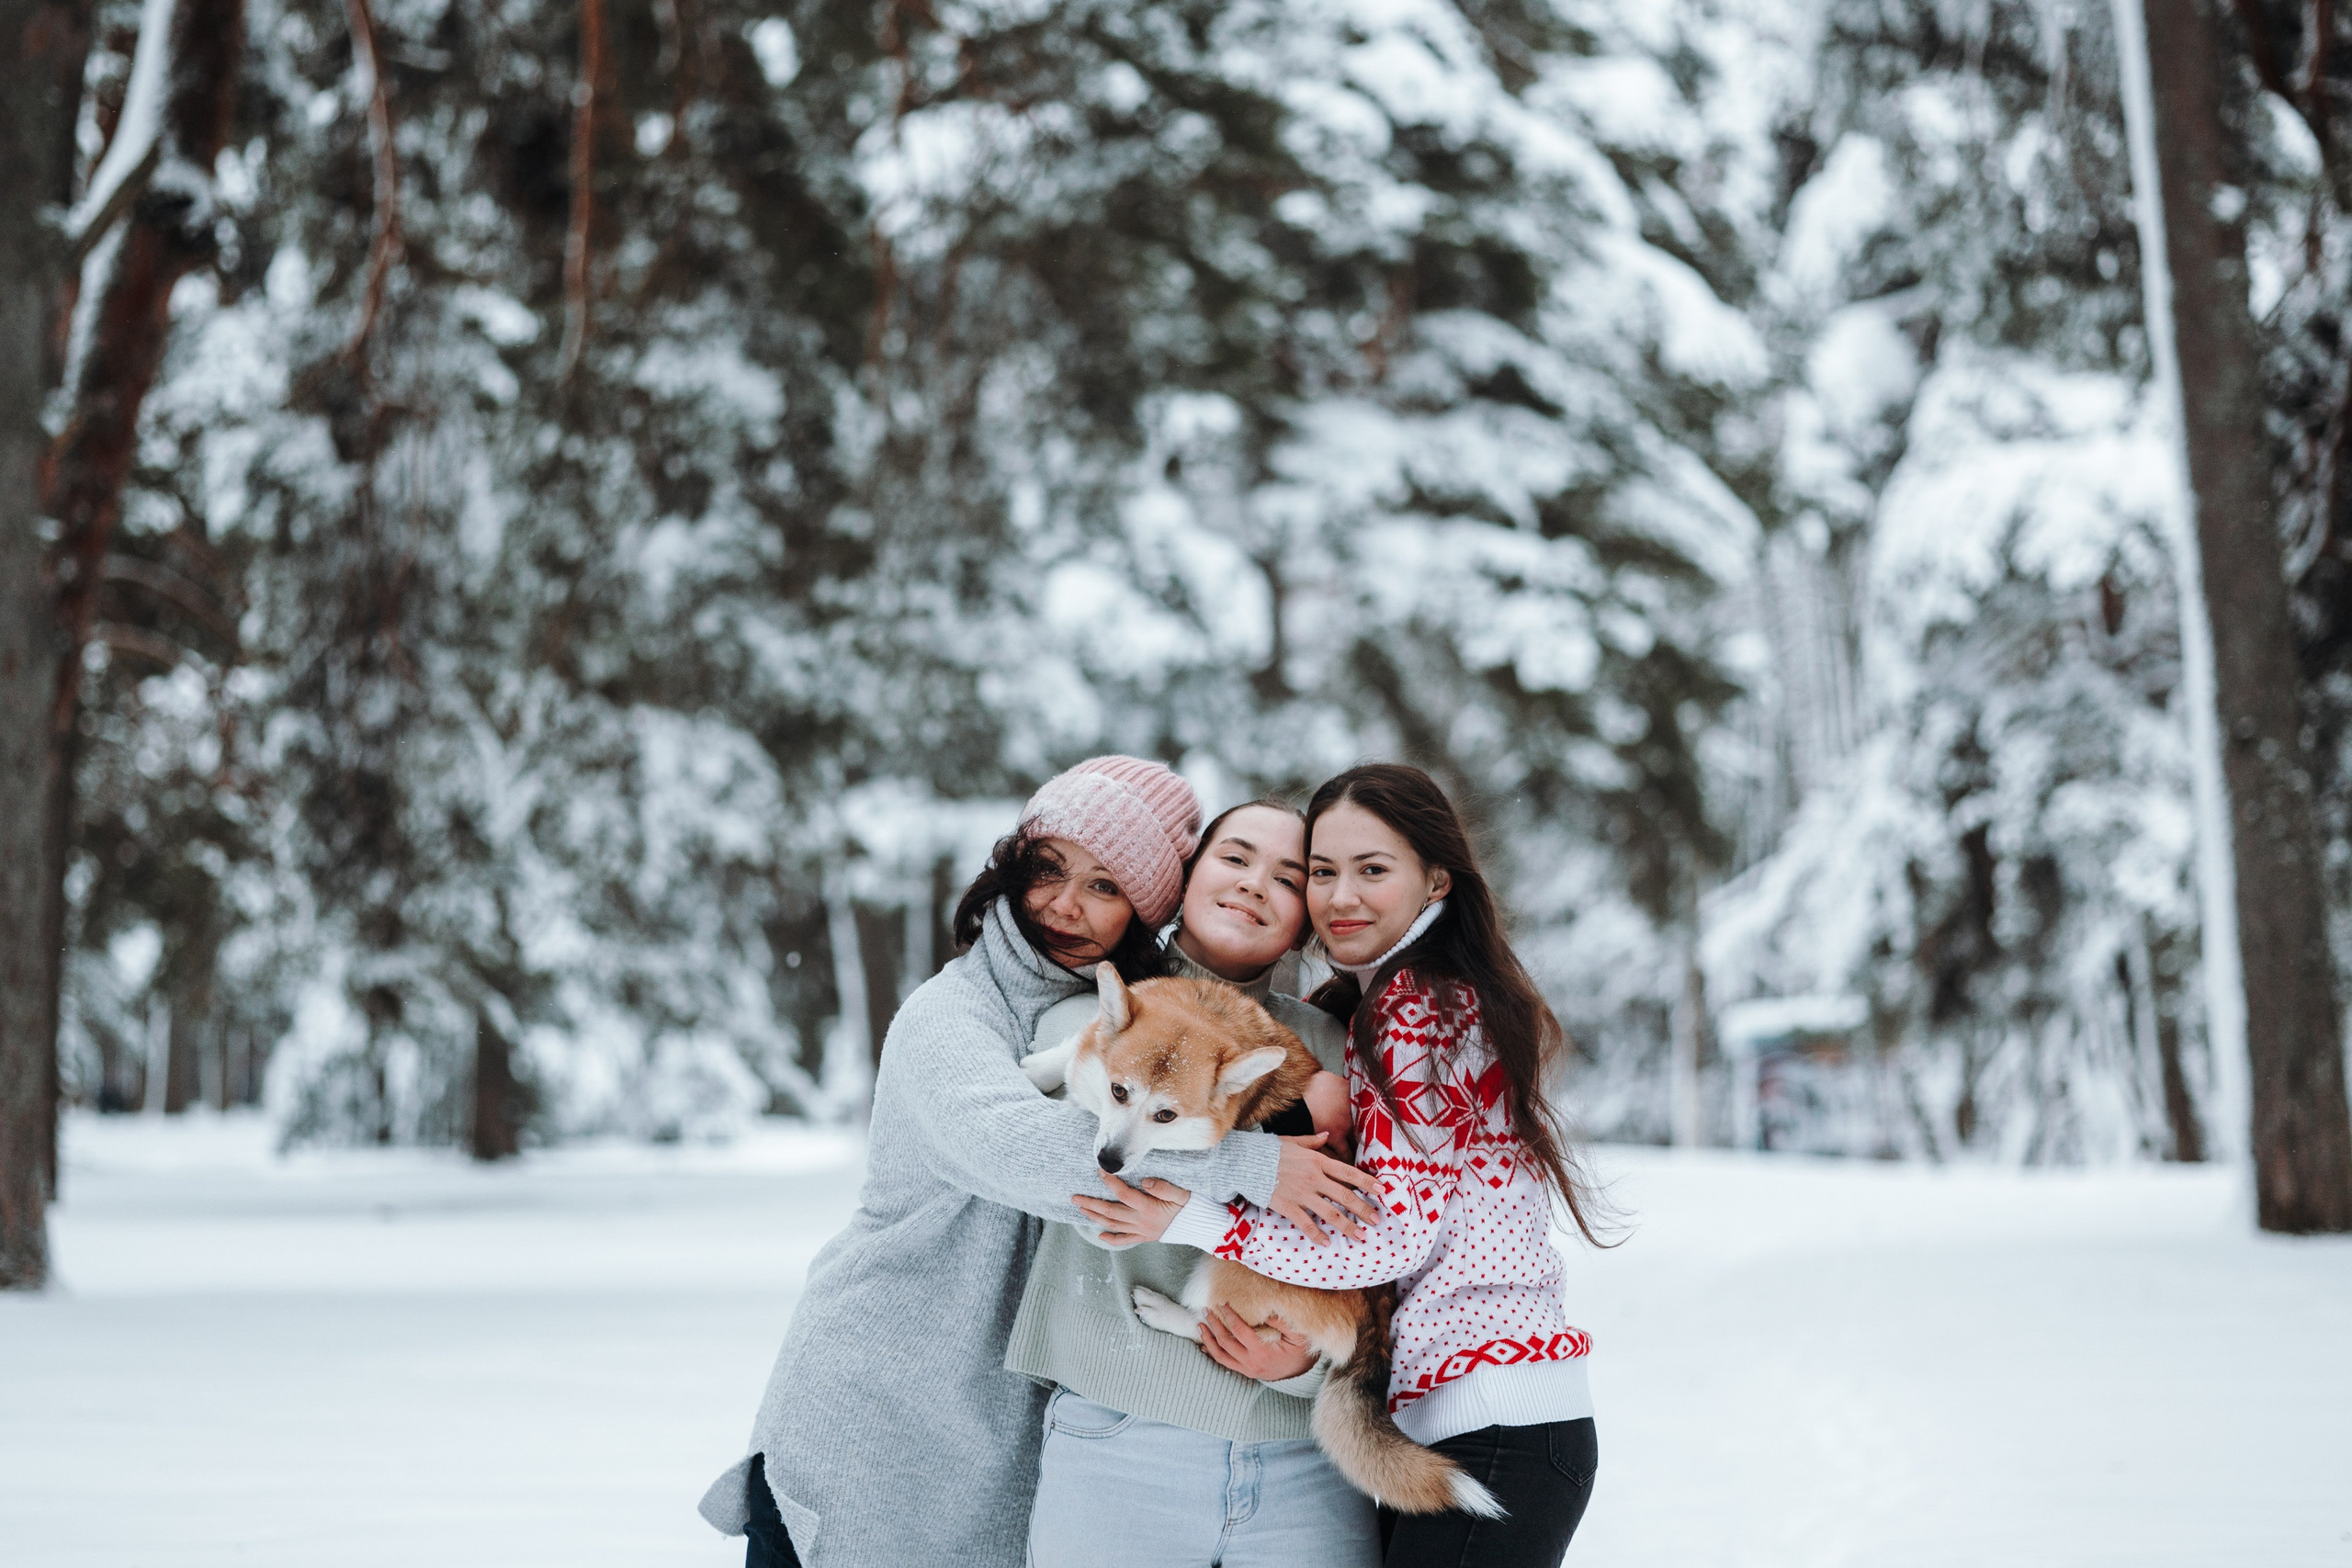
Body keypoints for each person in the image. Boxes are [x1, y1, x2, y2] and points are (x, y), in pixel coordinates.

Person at [697, 757, 1384, 1568]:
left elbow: (1358, 1251)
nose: (1065, 904)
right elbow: (1035, 1152)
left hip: (1016, 1427)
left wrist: (1306, 1357)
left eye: (1104, 886)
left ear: (1146, 907)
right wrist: (1260, 1163)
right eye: (1047, 871)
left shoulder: (1166, 1021)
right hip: (881, 1404)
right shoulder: (970, 1016)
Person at [1083, 763, 1606, 1566]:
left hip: (1496, 1422)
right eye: (1323, 872)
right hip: (1469, 1418)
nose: (1341, 897)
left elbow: (1389, 1235)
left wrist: (1189, 1215)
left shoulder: (1420, 1007)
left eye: (1372, 869)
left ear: (1436, 880)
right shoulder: (1388, 1003)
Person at [1010, 798, 1379, 1568]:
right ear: (1184, 877)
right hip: (1118, 1439)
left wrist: (1306, 1368)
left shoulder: (1339, 1050)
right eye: (1236, 857)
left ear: (1308, 915)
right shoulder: (1091, 1009)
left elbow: (1376, 1233)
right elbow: (1068, 1150)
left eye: (1287, 876)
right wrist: (1266, 1161)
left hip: (1303, 1461)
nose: (1254, 885)